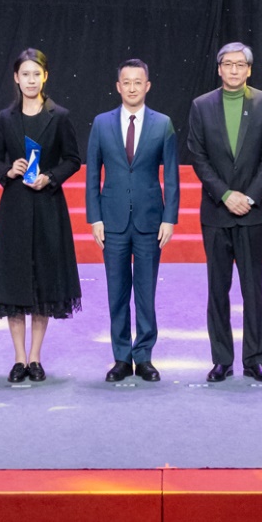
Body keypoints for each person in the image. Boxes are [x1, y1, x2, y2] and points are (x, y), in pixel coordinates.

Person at [0, 48, 84, 384]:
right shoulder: (5, 117)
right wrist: (9, 170)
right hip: (15, 208)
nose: (30, 80)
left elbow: (73, 159)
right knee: (14, 283)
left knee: (44, 282)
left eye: (36, 74)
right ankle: (18, 359)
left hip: (48, 206)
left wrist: (50, 177)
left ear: (45, 76)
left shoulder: (60, 116)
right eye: (25, 74)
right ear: (16, 77)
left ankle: (36, 358)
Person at [184, 40, 262, 384]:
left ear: (249, 70)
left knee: (252, 289)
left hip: (253, 213)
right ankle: (221, 360)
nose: (234, 70)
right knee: (217, 289)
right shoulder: (201, 106)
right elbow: (197, 155)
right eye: (228, 64)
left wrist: (249, 197)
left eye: (241, 64)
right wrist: (225, 195)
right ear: (219, 68)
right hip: (216, 211)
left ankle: (255, 359)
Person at [83, 57, 179, 383]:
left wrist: (169, 218)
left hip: (151, 220)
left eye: (138, 82)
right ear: (118, 86)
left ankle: (145, 356)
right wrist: (95, 218)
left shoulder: (163, 124)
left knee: (146, 293)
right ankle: (122, 357)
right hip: (112, 221)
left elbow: (172, 176)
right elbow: (93, 174)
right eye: (127, 82)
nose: (133, 88)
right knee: (117, 292)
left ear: (147, 86)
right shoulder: (102, 123)